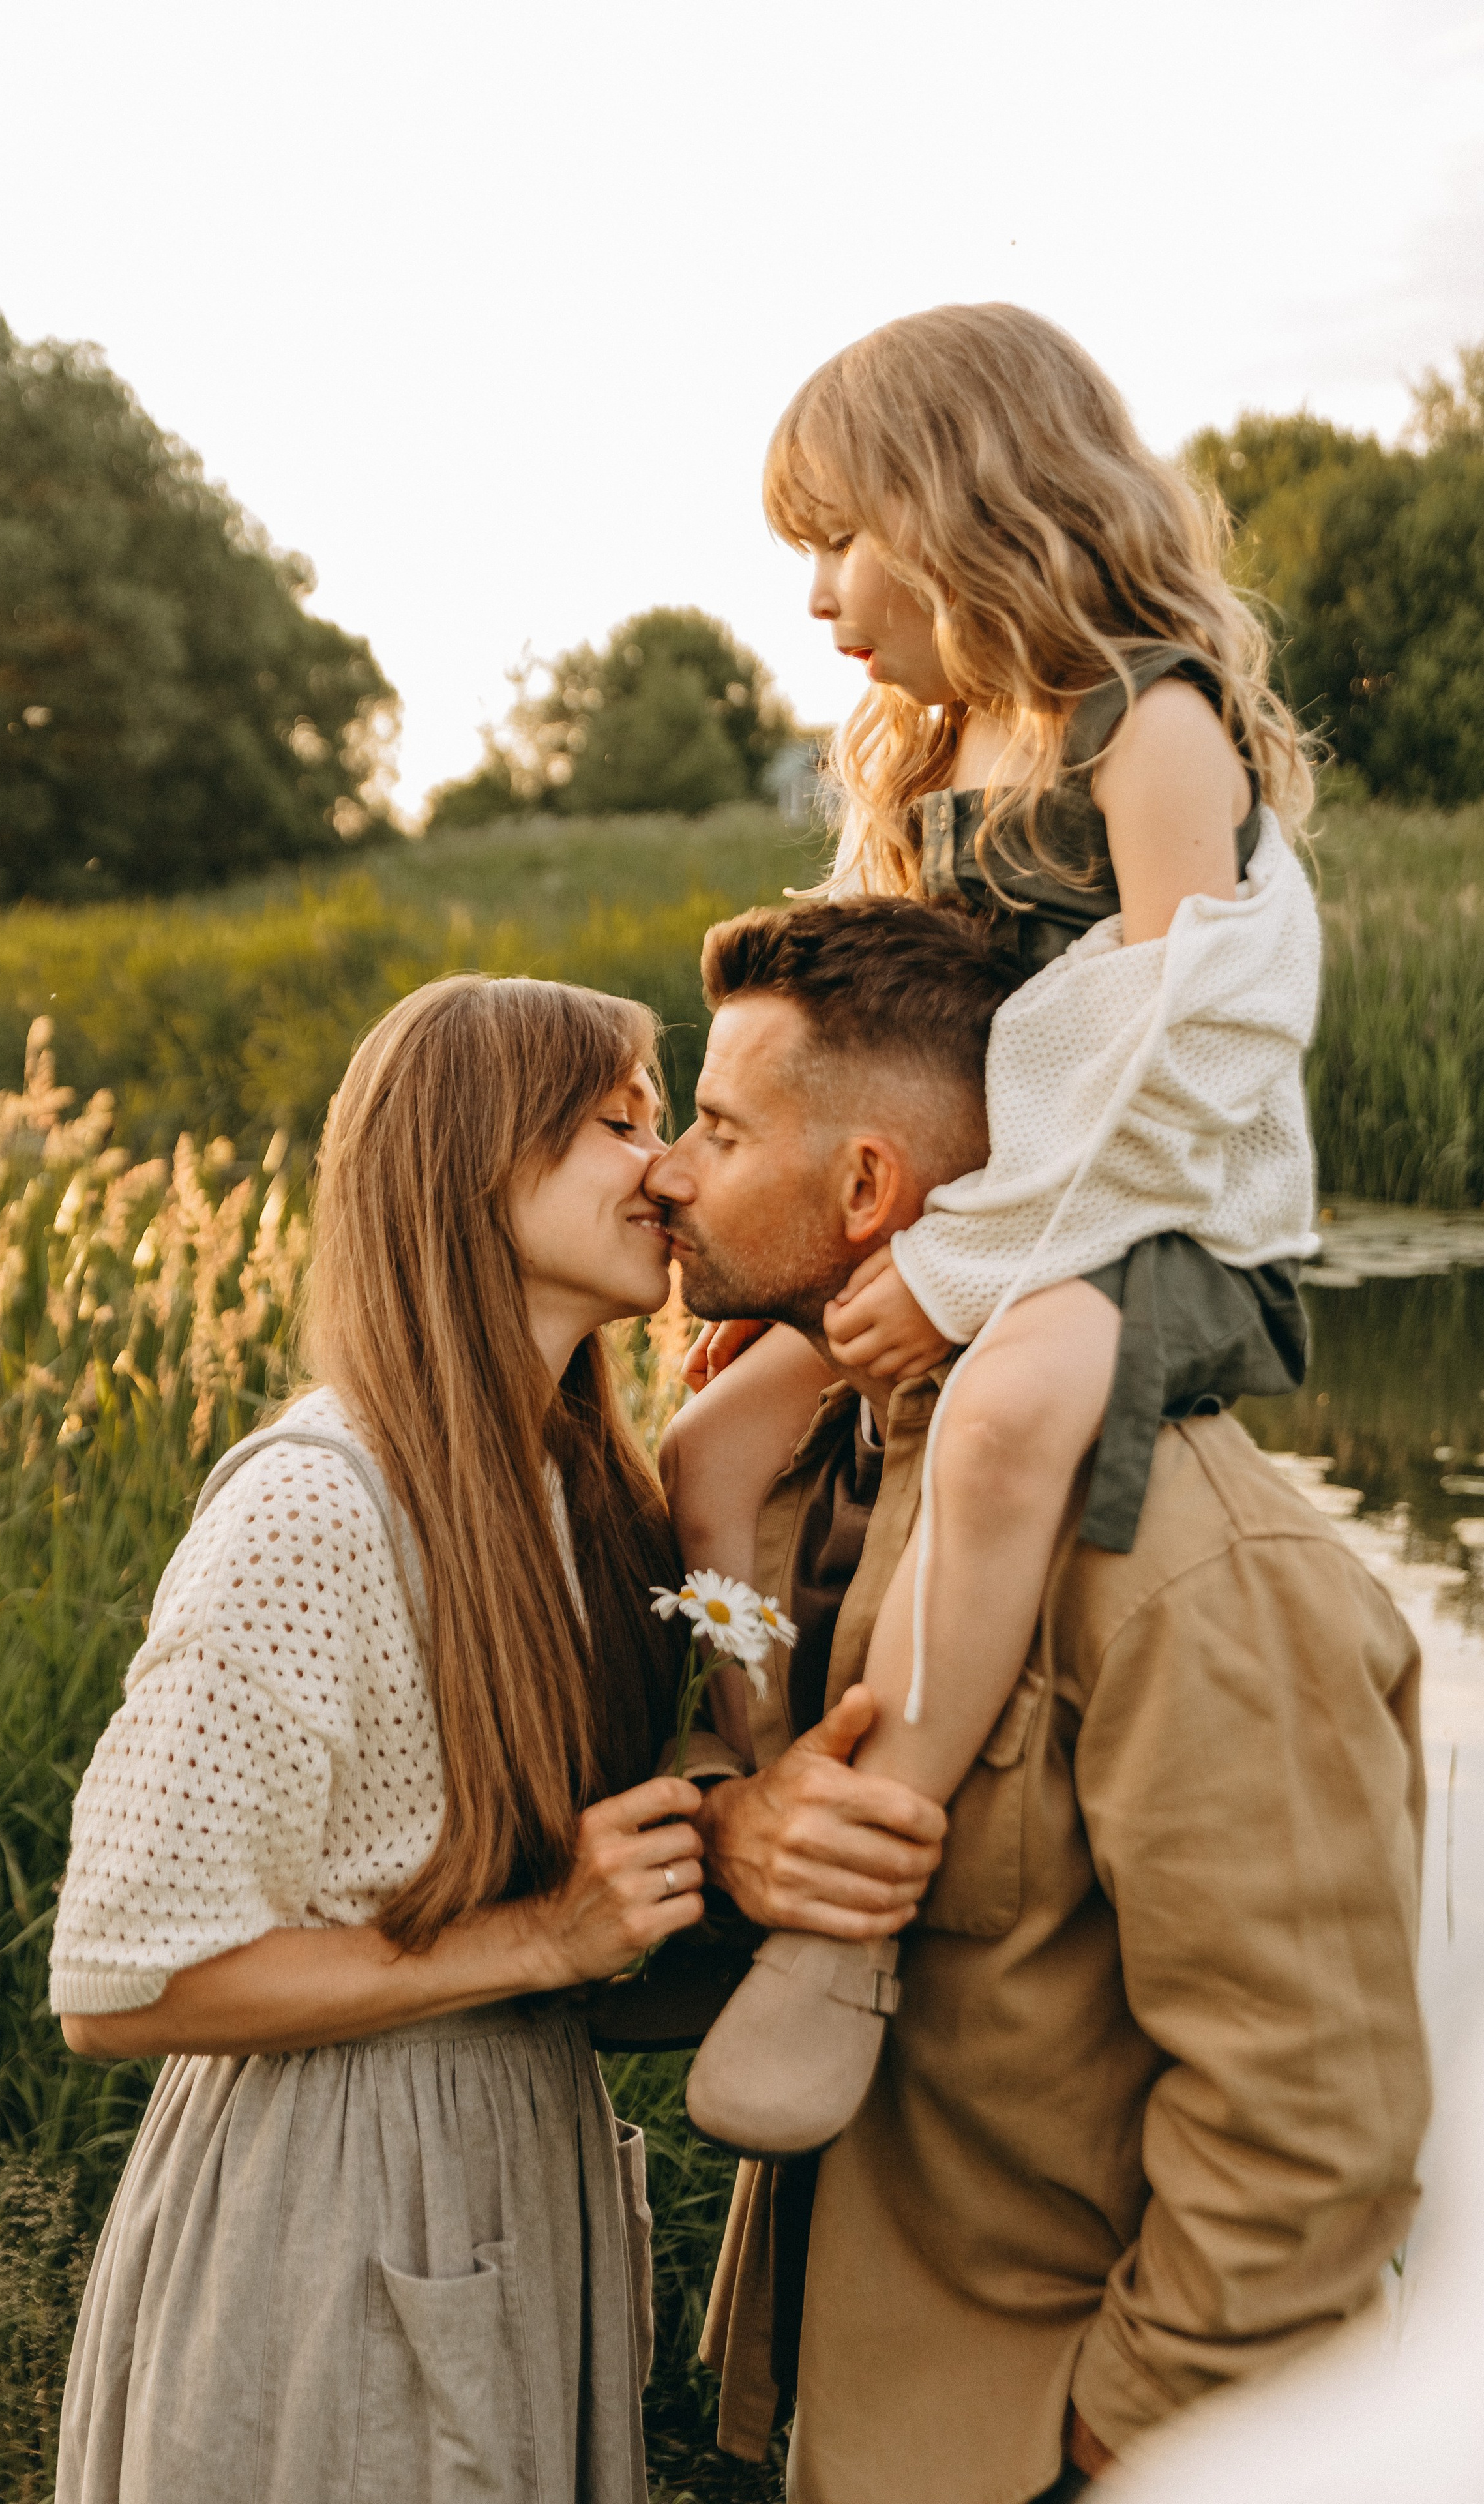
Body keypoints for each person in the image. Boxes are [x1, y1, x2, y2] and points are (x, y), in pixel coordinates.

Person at [647, 895, 1428, 2503]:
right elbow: (707, 1807)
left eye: (716, 1130)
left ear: (867, 1187)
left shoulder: (1185, 1558)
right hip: (812, 2412)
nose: (668, 1169)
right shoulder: (799, 1480)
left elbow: (1308, 2122)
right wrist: (740, 1838)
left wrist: (1099, 2440)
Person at [661, 303, 1321, 2155]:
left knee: (1017, 1412)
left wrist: (956, 1275)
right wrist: (807, 1260)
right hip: (951, 1238)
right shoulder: (921, 747)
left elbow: (1167, 1050)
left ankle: (858, 1906)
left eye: (840, 540)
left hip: (1139, 1233)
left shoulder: (1150, 727)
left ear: (965, 507)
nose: (817, 600)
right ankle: (774, 1742)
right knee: (709, 1452)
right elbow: (875, 1052)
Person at [50, 974, 707, 2504]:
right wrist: (543, 1940)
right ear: (475, 1166)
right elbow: (124, 1980)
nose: (663, 1169)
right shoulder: (315, 1507)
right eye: (619, 1123)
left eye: (666, 1125)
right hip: (329, 2204)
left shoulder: (587, 1498)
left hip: (508, 2164)